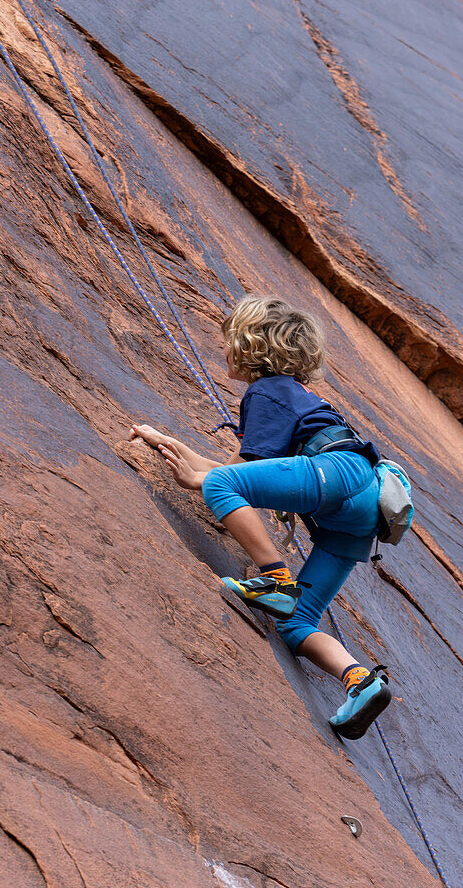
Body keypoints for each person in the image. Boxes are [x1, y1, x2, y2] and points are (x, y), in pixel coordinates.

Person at [129, 295, 391, 740]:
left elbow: (229, 477)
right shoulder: (294, 393)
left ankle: (275, 578)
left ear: (252, 346)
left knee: (219, 487)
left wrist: (199, 481)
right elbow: (239, 472)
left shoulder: (266, 389)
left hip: (339, 473)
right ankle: (360, 682)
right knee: (295, 624)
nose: (223, 350)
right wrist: (164, 442)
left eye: (229, 341)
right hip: (360, 511)